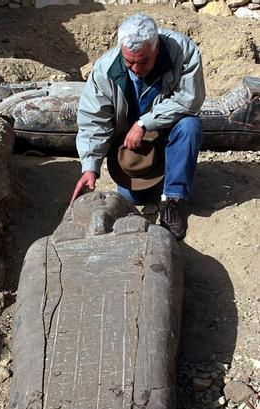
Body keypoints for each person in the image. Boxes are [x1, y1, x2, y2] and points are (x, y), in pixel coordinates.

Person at [71, 13, 205, 240]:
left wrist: (144, 123)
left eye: (143, 61)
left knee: (190, 125)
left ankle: (172, 200)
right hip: (132, 150)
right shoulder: (105, 70)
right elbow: (94, 119)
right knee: (133, 200)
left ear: (156, 49)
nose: (135, 68)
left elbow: (190, 100)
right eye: (129, 61)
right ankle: (153, 174)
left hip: (167, 132)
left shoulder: (183, 52)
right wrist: (90, 166)